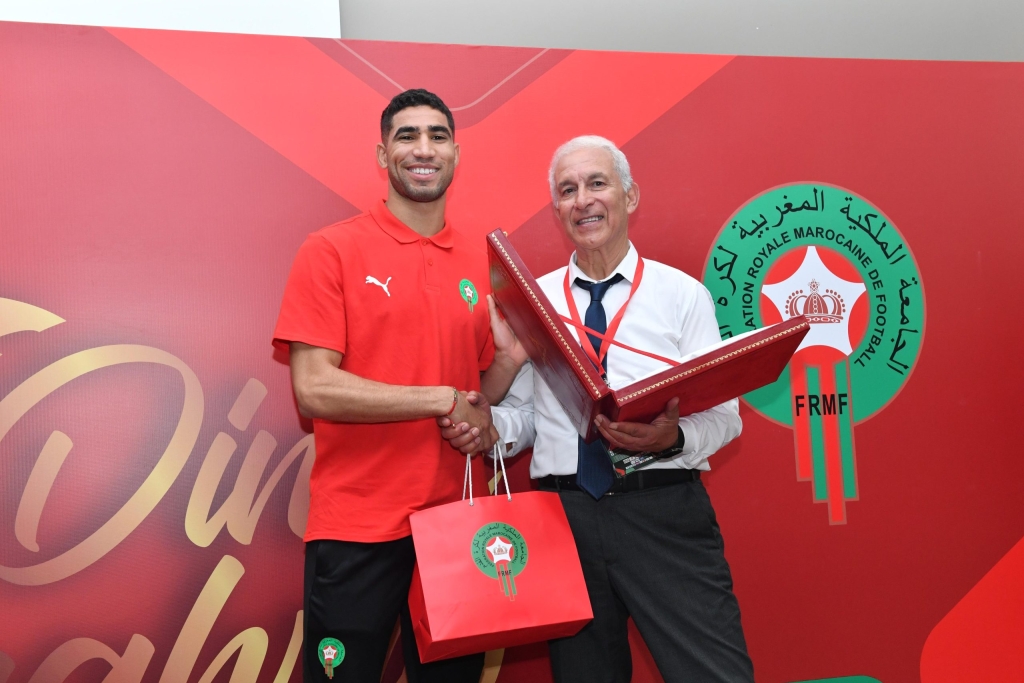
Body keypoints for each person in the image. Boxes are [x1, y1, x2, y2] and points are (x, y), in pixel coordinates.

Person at [440, 135, 755, 682]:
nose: (582, 200)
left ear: (629, 197)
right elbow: (526, 419)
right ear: (557, 209)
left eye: (597, 184)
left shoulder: (682, 295)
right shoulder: (533, 302)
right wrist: (490, 430)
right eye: (567, 190)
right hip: (564, 522)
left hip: (663, 511)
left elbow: (725, 417)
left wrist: (674, 439)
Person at [273, 89, 521, 683]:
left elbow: (477, 397)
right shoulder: (330, 249)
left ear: (456, 154)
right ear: (383, 154)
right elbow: (313, 389)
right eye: (407, 136)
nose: (423, 149)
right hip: (356, 526)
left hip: (457, 526)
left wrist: (508, 365)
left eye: (438, 136)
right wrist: (440, 397)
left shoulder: (482, 261)